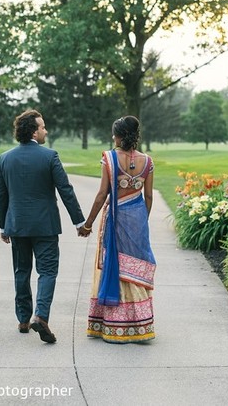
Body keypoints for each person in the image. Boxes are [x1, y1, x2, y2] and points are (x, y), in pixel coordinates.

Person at [0, 109, 86, 344]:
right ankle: (41, 316)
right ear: (34, 131)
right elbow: (65, 189)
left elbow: (0, 195)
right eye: (43, 126)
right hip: (45, 226)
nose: (46, 130)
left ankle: (23, 320)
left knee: (21, 271)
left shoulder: (5, 158)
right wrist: (79, 221)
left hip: (17, 226)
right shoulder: (50, 156)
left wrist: (4, 225)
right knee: (47, 272)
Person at [80, 115, 156, 343]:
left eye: (114, 133)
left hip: (115, 217)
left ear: (120, 136)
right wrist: (142, 220)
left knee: (116, 263)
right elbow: (149, 196)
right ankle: (140, 325)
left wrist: (88, 223)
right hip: (137, 216)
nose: (113, 137)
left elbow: (102, 194)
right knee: (134, 266)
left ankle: (113, 325)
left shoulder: (110, 159)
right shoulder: (148, 161)